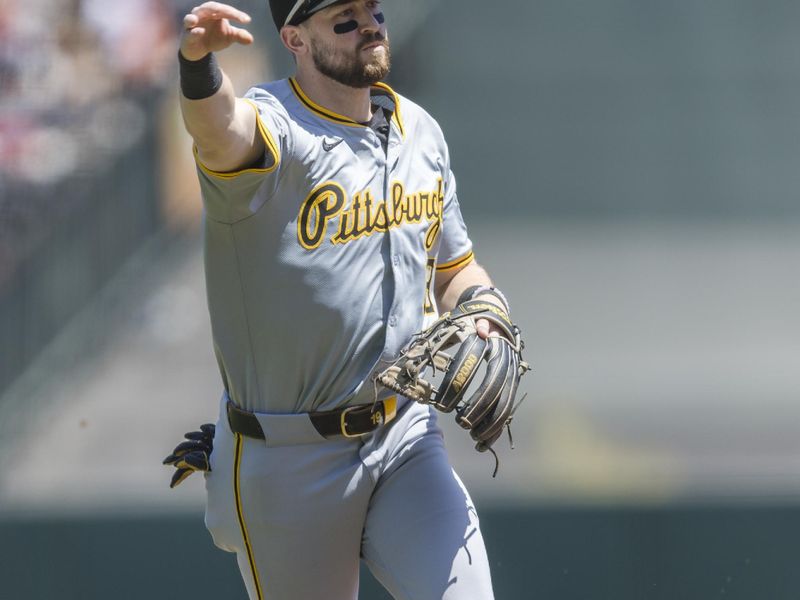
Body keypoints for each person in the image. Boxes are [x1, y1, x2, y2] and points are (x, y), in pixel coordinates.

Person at [171, 1, 520, 598]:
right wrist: (197, 62)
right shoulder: (276, 125)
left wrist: (486, 305)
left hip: (404, 436)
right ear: (295, 39)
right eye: (344, 18)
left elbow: (454, 270)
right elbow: (218, 129)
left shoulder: (421, 132)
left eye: (374, 10)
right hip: (291, 460)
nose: (370, 25)